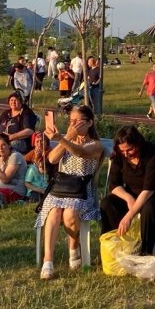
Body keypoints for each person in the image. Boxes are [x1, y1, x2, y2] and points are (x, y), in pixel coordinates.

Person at [35, 105, 104, 280]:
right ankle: (48, 261)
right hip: (61, 187)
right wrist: (65, 139)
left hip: (81, 189)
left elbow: (81, 153)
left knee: (70, 213)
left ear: (89, 123)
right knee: (53, 211)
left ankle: (74, 246)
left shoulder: (95, 144)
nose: (73, 125)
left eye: (77, 121)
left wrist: (65, 139)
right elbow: (52, 159)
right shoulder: (67, 139)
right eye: (71, 121)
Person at [100, 126, 155, 256]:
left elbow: (148, 190)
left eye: (130, 149)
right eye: (122, 151)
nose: (126, 154)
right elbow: (114, 185)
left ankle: (146, 251)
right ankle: (119, 244)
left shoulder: (154, 155)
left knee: (148, 207)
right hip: (133, 193)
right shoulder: (120, 155)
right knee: (108, 203)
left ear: (138, 143)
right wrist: (129, 198)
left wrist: (129, 215)